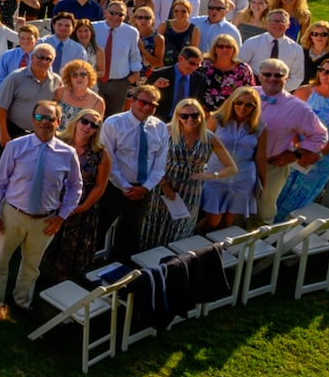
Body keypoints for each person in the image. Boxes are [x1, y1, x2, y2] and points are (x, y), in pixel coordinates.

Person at [0, 101, 83, 320]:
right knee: (0, 262)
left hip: (45, 221)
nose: (44, 122)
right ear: (33, 119)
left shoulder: (67, 154)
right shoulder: (15, 147)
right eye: (40, 117)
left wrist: (61, 217)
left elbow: (75, 187)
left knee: (31, 266)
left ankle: (22, 302)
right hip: (12, 214)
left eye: (50, 118)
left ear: (58, 122)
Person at [144, 97, 236, 247]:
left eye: (194, 115)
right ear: (178, 117)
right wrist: (164, 185)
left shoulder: (209, 137)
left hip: (190, 191)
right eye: (184, 116)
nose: (190, 119)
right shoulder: (167, 131)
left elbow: (231, 167)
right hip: (162, 187)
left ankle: (175, 265)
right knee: (154, 228)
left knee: (180, 231)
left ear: (201, 115)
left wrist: (211, 175)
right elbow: (150, 160)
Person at [274, 56, 329, 220]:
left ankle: (289, 230)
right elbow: (289, 122)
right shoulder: (304, 92)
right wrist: (300, 149)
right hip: (294, 150)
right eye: (322, 70)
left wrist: (317, 154)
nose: (324, 74)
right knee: (280, 189)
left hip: (323, 157)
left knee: (303, 195)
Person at [99, 85, 169, 258]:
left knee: (131, 231)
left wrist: (145, 188)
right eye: (143, 102)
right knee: (100, 227)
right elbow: (108, 160)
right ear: (132, 102)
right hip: (113, 188)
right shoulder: (113, 123)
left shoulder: (159, 127)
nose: (147, 108)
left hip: (142, 191)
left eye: (152, 105)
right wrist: (124, 187)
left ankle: (122, 268)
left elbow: (160, 163)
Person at [42, 111, 110, 282]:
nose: (88, 127)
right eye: (85, 121)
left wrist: (84, 206)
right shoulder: (57, 142)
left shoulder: (101, 153)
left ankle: (63, 278)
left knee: (70, 248)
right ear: (76, 121)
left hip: (81, 207)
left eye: (94, 125)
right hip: (52, 202)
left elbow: (100, 185)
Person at [202, 87, 264, 228]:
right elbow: (201, 146)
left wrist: (263, 184)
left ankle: (220, 249)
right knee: (212, 222)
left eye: (249, 105)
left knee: (228, 224)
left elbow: (260, 156)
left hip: (243, 179)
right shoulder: (216, 120)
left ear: (255, 107)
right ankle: (195, 244)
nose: (243, 107)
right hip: (217, 176)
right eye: (238, 102)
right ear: (231, 102)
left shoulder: (259, 127)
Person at [0, 44, 60, 148]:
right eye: (41, 57)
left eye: (48, 59)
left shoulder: (56, 81)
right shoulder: (15, 77)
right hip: (14, 130)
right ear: (32, 57)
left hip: (41, 133)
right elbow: (1, 106)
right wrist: (3, 132)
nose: (44, 62)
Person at [239, 8, 306, 93]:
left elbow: (297, 77)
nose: (278, 24)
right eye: (274, 21)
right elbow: (241, 66)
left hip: (281, 89)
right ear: (267, 23)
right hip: (253, 87)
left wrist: (278, 90)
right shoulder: (252, 42)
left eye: (282, 21)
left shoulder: (296, 49)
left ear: (288, 25)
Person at [195, 33, 256, 113]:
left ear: (234, 49)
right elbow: (192, 85)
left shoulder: (243, 69)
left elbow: (250, 92)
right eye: (221, 46)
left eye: (229, 47)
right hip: (202, 112)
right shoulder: (203, 64)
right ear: (214, 49)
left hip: (231, 113)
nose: (225, 50)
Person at [148, 44, 208, 110]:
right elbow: (144, 94)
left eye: (197, 65)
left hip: (186, 118)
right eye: (191, 63)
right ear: (180, 58)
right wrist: (155, 86)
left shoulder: (199, 79)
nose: (193, 68)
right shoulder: (160, 74)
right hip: (162, 118)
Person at [54, 58, 105, 131]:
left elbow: (96, 129)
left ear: (89, 76)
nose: (79, 78)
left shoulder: (98, 102)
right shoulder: (60, 92)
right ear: (69, 77)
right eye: (74, 75)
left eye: (83, 75)